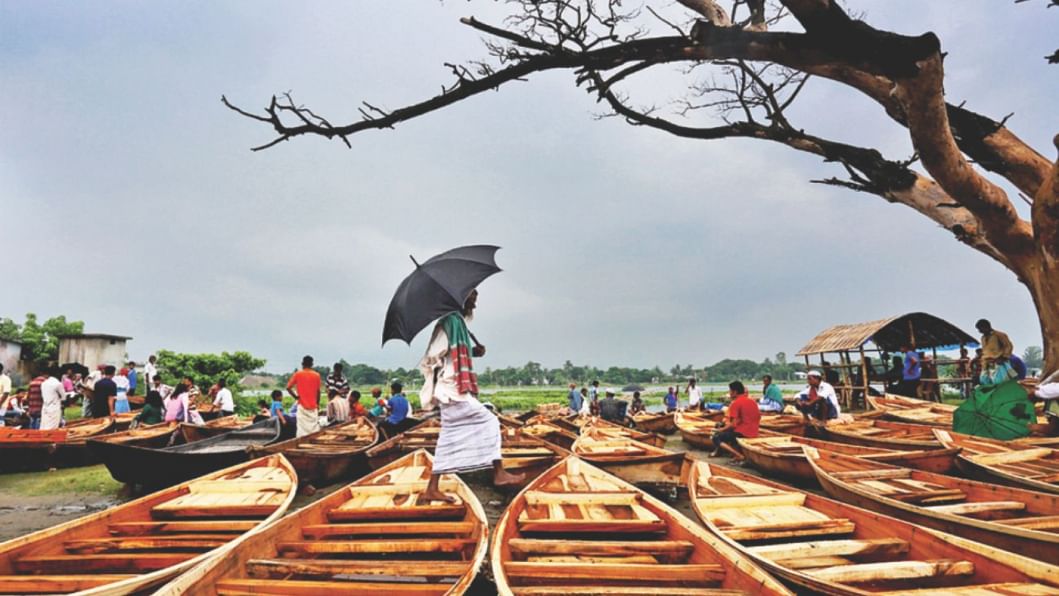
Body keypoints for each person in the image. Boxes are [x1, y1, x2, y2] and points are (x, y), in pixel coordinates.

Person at [416, 289, 523, 504]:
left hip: (453, 388)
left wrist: (474, 352)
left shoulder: (458, 323)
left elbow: (455, 352)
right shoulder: (449, 322)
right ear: (461, 300)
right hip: (451, 388)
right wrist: (444, 366)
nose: (474, 306)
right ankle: (498, 473)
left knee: (449, 435)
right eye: (472, 301)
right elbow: (434, 353)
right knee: (489, 421)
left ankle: (432, 488)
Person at [710, 381, 760, 463]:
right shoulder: (752, 401)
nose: (729, 393)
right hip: (754, 432)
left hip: (743, 433)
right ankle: (737, 453)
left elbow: (733, 425)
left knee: (716, 437)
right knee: (730, 432)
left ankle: (738, 455)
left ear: (735, 392)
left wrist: (720, 430)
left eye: (730, 391)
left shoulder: (736, 403)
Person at [287, 355, 322, 437]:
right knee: (314, 428)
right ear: (312, 364)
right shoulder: (316, 375)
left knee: (301, 429)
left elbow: (288, 388)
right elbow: (318, 392)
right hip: (313, 407)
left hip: (302, 406)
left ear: (302, 364)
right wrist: (317, 404)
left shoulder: (298, 374)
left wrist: (296, 397)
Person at [40, 366, 65, 430]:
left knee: (44, 425)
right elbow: (63, 397)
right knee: (52, 426)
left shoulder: (43, 384)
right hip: (54, 406)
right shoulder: (57, 384)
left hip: (45, 406)